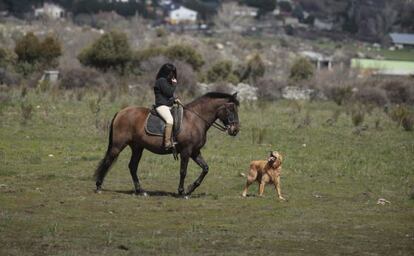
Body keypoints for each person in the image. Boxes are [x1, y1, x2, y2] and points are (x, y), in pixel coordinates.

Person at [153, 63, 181, 149]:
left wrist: (174, 100)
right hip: (161, 106)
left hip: (168, 105)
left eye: (173, 73)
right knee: (170, 120)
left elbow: (168, 96)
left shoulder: (165, 81)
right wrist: (174, 85)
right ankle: (167, 142)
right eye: (171, 73)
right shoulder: (161, 81)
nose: (172, 75)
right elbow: (169, 92)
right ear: (166, 72)